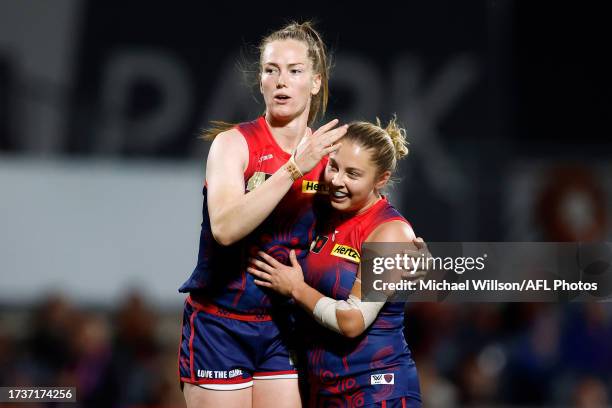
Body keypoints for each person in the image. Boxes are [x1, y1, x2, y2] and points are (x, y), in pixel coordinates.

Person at [177, 21, 347, 408]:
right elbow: (225, 228)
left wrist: (399, 239)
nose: (281, 81)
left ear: (316, 82)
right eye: (271, 70)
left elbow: (362, 222)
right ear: (261, 81)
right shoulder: (232, 145)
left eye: (294, 70)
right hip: (220, 325)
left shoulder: (330, 156)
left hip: (283, 328)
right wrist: (294, 169)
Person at [248, 118, 424, 407]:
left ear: (381, 179)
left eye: (353, 174)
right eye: (333, 166)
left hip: (378, 391)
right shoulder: (326, 213)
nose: (337, 181)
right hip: (323, 390)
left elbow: (353, 321)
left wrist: (296, 288)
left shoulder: (391, 232)